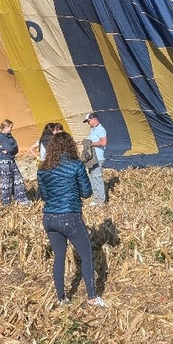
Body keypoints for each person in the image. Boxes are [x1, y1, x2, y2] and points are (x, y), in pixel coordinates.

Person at [37, 131, 108, 307]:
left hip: (49, 218)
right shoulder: (76, 165)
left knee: (59, 257)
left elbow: (44, 195)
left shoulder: (43, 168)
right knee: (86, 255)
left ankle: (61, 298)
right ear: (69, 146)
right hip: (70, 216)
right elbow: (86, 192)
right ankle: (92, 297)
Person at [0, 119, 30, 206]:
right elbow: (10, 148)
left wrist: (10, 151)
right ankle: (6, 203)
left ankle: (21, 199)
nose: (11, 129)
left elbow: (15, 148)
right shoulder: (1, 137)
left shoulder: (10, 137)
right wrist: (10, 149)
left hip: (11, 159)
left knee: (18, 180)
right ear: (5, 127)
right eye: (10, 127)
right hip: (3, 161)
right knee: (6, 182)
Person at [83, 112, 108, 205]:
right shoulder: (93, 130)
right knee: (92, 177)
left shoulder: (100, 129)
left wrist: (91, 143)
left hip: (97, 157)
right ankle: (96, 198)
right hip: (92, 157)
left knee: (97, 178)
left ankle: (101, 200)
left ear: (93, 119)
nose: (88, 123)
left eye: (88, 121)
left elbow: (104, 142)